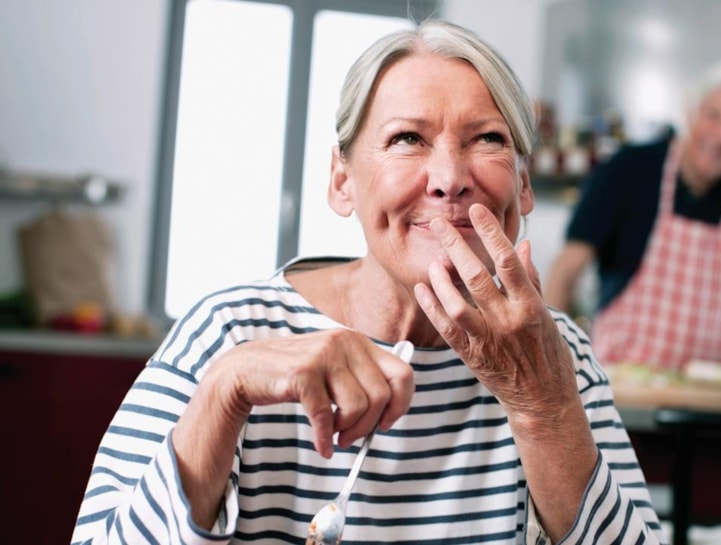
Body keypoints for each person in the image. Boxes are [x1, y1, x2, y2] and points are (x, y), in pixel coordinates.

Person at [71, 19, 663, 545]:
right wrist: (225, 391)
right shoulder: (227, 333)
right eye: (408, 139)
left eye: (488, 139)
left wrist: (542, 405)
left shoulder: (556, 353)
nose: (450, 179)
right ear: (341, 181)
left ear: (523, 186)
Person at [545, 63, 721, 371]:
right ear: (690, 112)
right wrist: (553, 364)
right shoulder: (628, 168)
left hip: (720, 391)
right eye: (712, 116)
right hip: (622, 384)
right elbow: (567, 267)